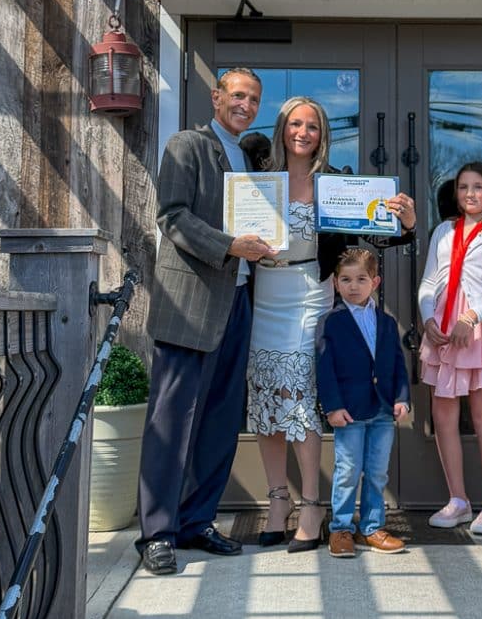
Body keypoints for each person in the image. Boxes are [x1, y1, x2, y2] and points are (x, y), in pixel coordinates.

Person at [246, 96, 416, 552]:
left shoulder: (336, 183)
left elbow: (375, 231)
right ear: (283, 128)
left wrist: (405, 224)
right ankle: (277, 500)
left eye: (314, 126)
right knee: (267, 403)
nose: (303, 132)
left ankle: (314, 507)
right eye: (295, 124)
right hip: (263, 293)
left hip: (308, 293)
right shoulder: (259, 179)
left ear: (323, 134)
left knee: (300, 398)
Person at [136, 67, 276, 576]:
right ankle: (158, 533)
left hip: (237, 301)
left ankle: (197, 521)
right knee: (171, 423)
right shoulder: (186, 146)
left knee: (218, 421)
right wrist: (229, 246)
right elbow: (171, 215)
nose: (245, 104)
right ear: (217, 97)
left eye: (254, 98)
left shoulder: (251, 157)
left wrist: (264, 248)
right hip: (190, 303)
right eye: (237, 95)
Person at [418, 161, 482, 536]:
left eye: (478, 186)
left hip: (480, 333)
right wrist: (428, 317)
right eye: (463, 187)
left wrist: (471, 317)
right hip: (443, 332)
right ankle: (457, 500)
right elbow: (430, 281)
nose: (470, 194)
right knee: (443, 416)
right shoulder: (443, 231)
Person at [316, 248, 410, 558]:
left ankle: (372, 527)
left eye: (361, 279)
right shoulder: (330, 321)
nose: (353, 286)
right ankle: (341, 529)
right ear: (335, 282)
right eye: (345, 279)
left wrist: (402, 398)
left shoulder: (385, 322)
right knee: (347, 469)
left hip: (383, 410)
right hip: (349, 411)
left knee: (377, 470)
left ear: (376, 282)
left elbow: (397, 362)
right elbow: (324, 367)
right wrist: (331, 406)